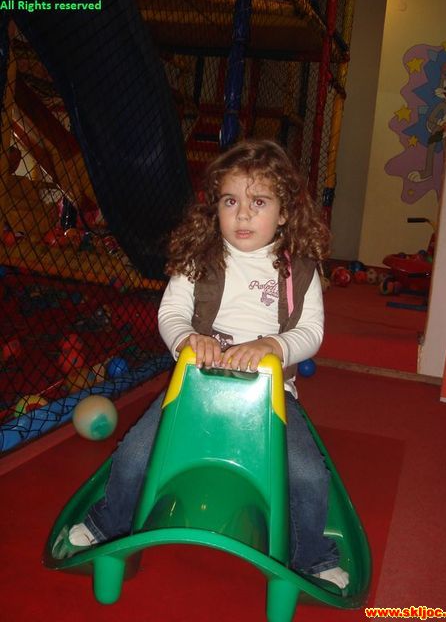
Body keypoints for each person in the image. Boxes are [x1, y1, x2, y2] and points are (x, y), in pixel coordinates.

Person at [56, 139, 349, 590]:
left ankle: (310, 556)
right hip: (195, 387)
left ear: (284, 212)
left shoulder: (301, 271)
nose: (243, 215)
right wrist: (187, 339)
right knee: (135, 453)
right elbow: (171, 313)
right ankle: (109, 523)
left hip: (270, 396)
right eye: (231, 202)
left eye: (259, 202)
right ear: (216, 208)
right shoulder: (200, 258)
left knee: (308, 475)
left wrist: (273, 345)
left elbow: (311, 332)